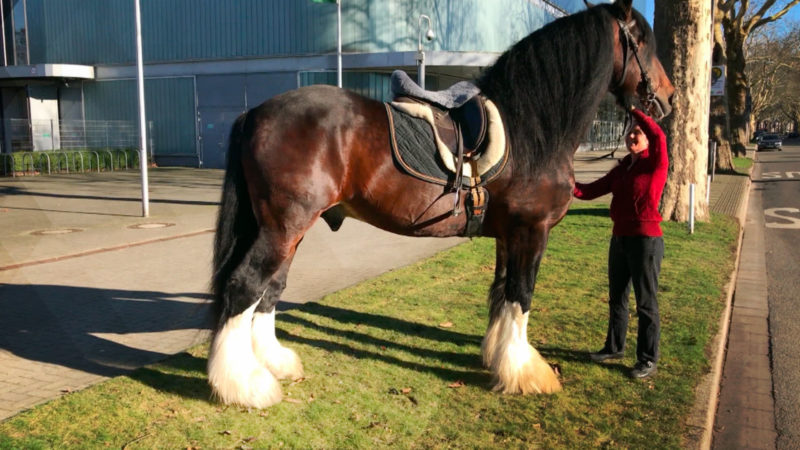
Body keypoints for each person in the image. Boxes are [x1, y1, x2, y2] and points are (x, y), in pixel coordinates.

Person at [572, 106, 667, 379]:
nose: (632, 137)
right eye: (630, 133)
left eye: (637, 133)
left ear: (647, 139)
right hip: (620, 239)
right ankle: (614, 347)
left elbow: (659, 136)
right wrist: (567, 183)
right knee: (617, 299)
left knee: (646, 303)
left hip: (646, 241)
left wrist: (636, 111)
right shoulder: (623, 168)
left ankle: (647, 359)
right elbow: (590, 191)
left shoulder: (656, 162)